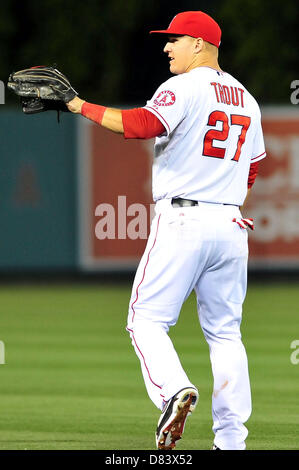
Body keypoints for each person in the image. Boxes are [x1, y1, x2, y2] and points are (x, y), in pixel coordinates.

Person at [66, 11, 266, 450]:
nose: (166, 46)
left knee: (145, 319)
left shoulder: (184, 86)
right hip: (232, 224)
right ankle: (232, 441)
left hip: (184, 219)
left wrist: (78, 106)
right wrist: (224, 200)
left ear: (199, 43)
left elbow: (142, 125)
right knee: (226, 333)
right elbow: (251, 170)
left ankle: (173, 390)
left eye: (174, 39)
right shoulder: (247, 99)